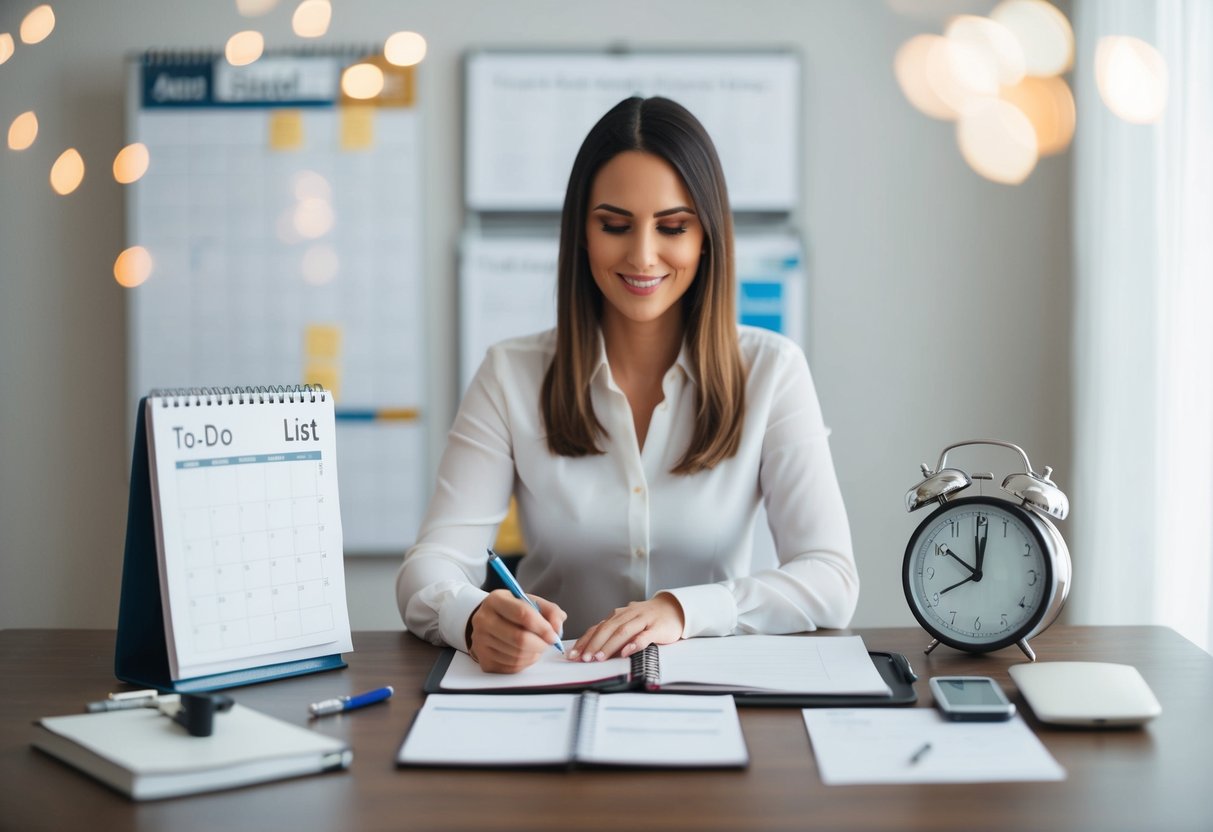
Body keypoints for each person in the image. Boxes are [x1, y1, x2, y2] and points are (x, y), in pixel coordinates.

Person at [396, 96, 857, 674]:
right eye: (615, 225)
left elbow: (831, 579)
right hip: (553, 687)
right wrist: (471, 616)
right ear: (582, 233)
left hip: (710, 690)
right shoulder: (511, 374)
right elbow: (429, 565)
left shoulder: (772, 370)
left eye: (673, 227)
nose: (642, 256)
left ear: (706, 237)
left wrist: (682, 610)